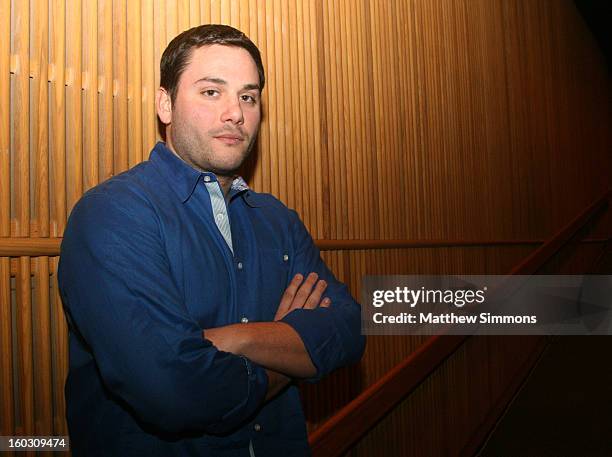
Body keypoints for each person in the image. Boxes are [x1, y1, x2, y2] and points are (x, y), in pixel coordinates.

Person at [58, 24, 365, 456]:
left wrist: (235, 339)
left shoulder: (277, 219)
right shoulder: (114, 214)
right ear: (165, 104)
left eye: (248, 96)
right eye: (210, 92)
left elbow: (348, 329)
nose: (235, 113)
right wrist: (290, 355)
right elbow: (178, 390)